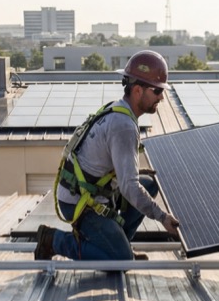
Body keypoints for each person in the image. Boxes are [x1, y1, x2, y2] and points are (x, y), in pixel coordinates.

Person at [35, 50, 180, 261]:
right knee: (121, 261)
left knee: (148, 184)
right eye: (157, 91)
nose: (162, 97)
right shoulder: (123, 126)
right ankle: (53, 240)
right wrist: (162, 217)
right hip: (80, 202)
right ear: (138, 90)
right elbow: (129, 187)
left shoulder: (119, 109)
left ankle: (120, 245)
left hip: (93, 190)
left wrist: (131, 172)